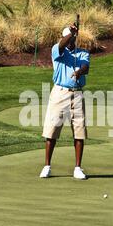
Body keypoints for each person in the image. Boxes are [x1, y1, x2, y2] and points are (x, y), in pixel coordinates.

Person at [39, 24, 90, 180]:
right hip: (59, 93)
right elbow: (62, 44)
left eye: (73, 37)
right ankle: (47, 166)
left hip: (77, 93)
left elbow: (85, 67)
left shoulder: (83, 52)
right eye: (68, 37)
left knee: (79, 132)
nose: (70, 40)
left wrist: (79, 72)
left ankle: (77, 168)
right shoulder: (57, 50)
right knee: (51, 132)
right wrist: (70, 34)